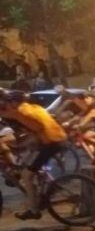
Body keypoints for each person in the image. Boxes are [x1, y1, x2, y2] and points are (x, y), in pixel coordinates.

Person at [0, 90, 67, 220]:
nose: (7, 104)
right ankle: (34, 193)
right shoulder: (33, 107)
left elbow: (37, 129)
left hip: (50, 143)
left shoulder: (21, 112)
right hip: (56, 139)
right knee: (25, 161)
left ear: (14, 102)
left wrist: (23, 143)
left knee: (26, 175)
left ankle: (33, 210)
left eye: (9, 102)